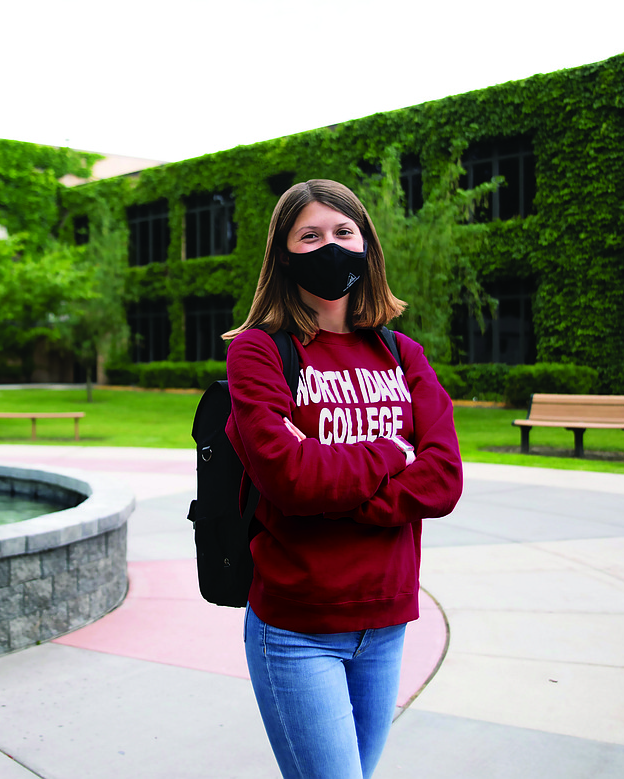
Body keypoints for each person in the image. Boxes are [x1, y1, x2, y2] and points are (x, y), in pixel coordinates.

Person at [223, 179, 463, 779]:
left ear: (366, 246)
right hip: (298, 628)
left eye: (343, 232)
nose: (330, 245)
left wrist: (333, 484)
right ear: (284, 254)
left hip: (386, 622)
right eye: (310, 235)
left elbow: (443, 480)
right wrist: (390, 452)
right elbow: (289, 479)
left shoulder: (404, 354)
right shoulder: (259, 351)